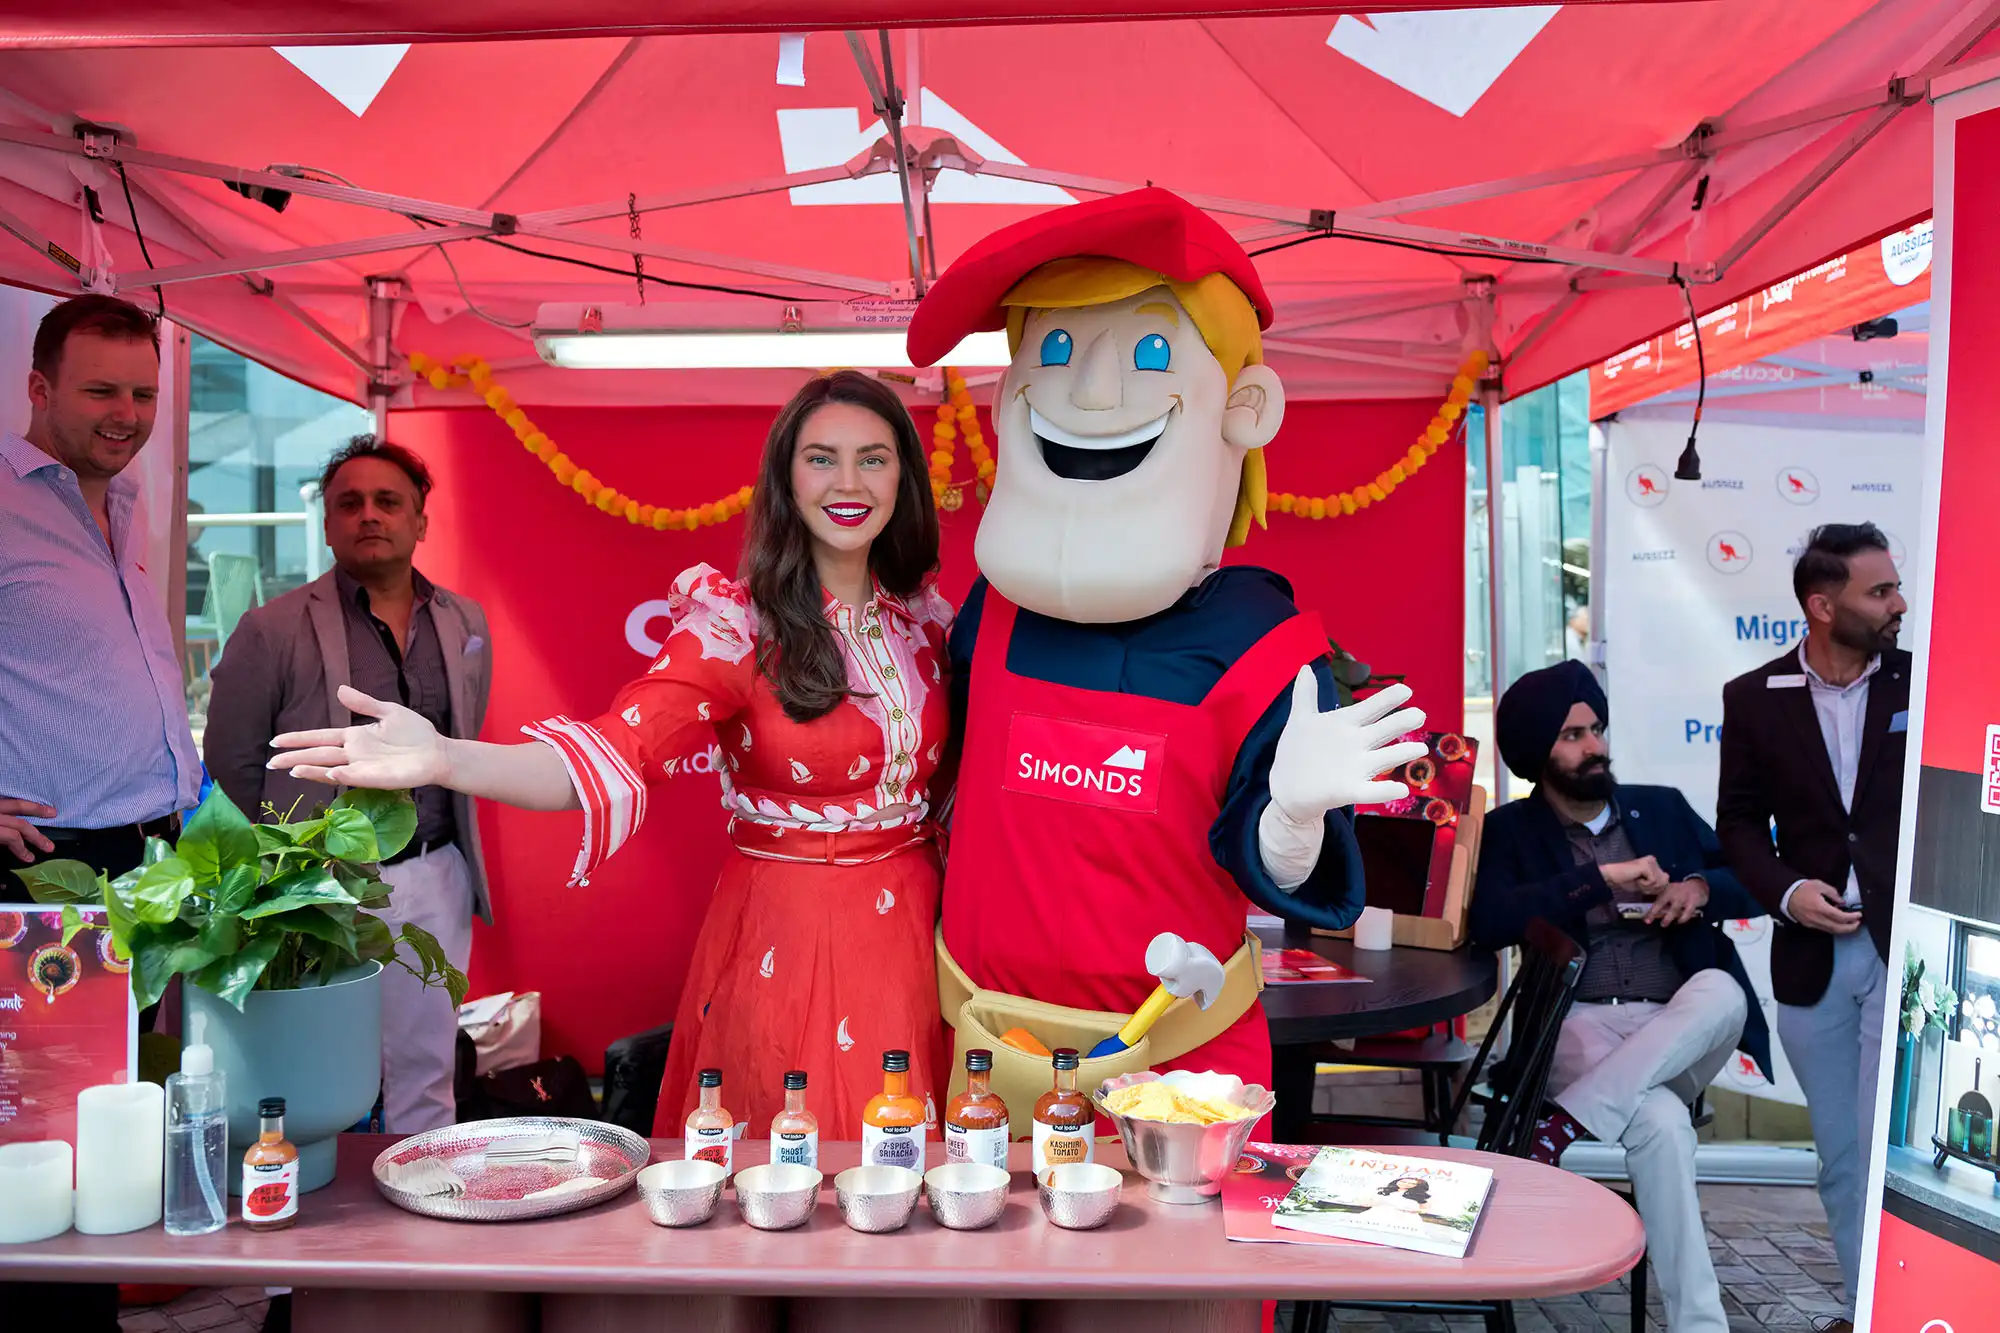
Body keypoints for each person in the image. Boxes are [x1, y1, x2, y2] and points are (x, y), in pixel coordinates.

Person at [266, 371, 952, 1139]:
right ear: (786, 480)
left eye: (873, 458)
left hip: (918, 936)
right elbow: (611, 749)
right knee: (798, 1158)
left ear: (903, 477)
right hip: (790, 937)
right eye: (821, 458)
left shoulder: (925, 623)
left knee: (919, 1163)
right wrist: (446, 758)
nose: (848, 481)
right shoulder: (738, 628)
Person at [904, 188, 1426, 1123]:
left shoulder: (1262, 646)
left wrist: (1293, 817)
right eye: (1054, 350)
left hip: (1179, 1082)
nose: (1093, 390)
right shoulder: (995, 612)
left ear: (1245, 407)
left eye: (1151, 350)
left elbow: (1284, 873)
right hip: (982, 1066)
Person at [203, 435, 493, 1134]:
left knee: (427, 1066)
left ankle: (423, 1188)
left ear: (420, 521)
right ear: (328, 523)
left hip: (434, 871)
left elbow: (466, 731)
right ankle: (324, 1197)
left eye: (388, 502)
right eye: (350, 503)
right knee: (321, 1064)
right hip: (322, 885)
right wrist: (294, 854)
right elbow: (233, 757)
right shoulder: (271, 628)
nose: (369, 515)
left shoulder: (463, 620)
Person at [1472, 660, 1770, 1333]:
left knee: (1723, 990)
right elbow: (1490, 921)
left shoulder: (1660, 808)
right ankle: (1701, 1327)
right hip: (1578, 1024)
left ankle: (1563, 1126)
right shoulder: (1512, 829)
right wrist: (1601, 879)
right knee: (1662, 1123)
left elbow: (1748, 878)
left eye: (1597, 729)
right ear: (1538, 751)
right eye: (1573, 735)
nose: (1595, 746)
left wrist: (1696, 888)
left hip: (1677, 1022)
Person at [1717, 522, 1908, 1329]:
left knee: (1889, 1148)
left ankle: (1900, 1309)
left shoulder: (1921, 681)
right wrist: (1787, 890)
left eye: (1895, 586)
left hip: (1905, 954)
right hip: (1809, 959)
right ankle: (1866, 1308)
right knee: (1840, 1152)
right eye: (1881, 591)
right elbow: (1736, 825)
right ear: (1823, 606)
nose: (1899, 604)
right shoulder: (1752, 696)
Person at [1, 294, 200, 886]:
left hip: (157, 848)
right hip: (44, 859)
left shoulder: (125, 499)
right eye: (100, 391)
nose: (126, 414)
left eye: (144, 395)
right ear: (40, 390)